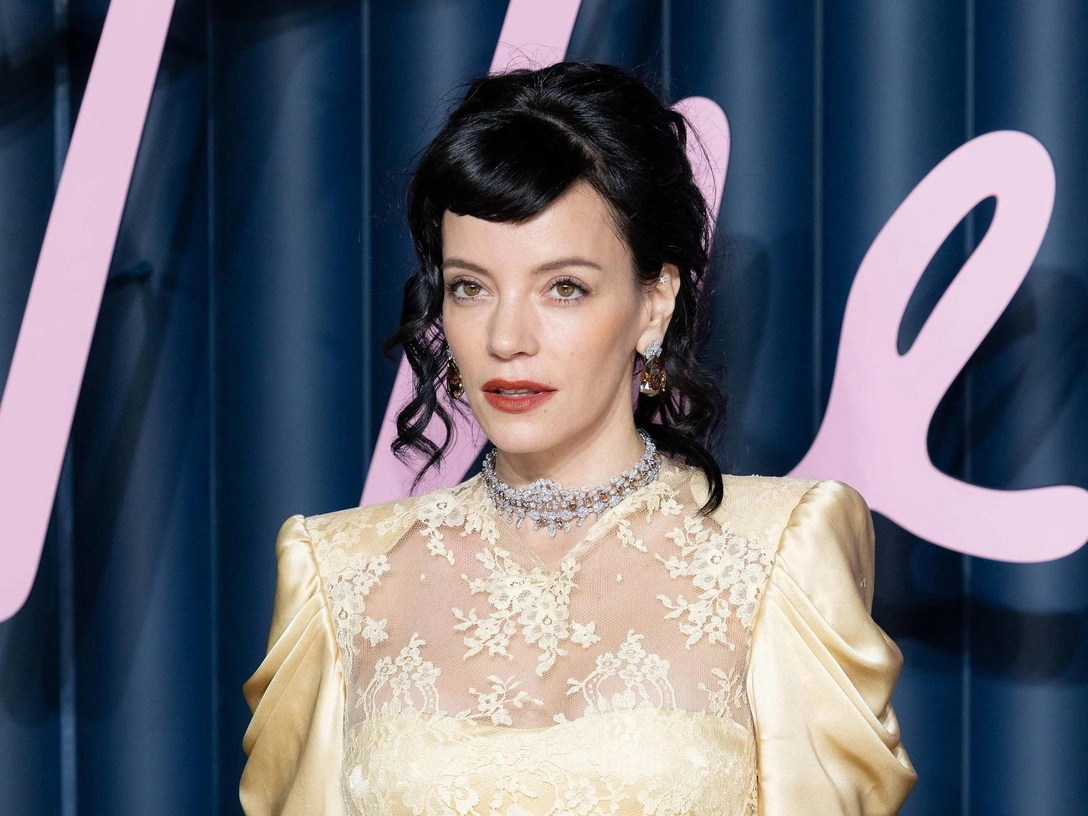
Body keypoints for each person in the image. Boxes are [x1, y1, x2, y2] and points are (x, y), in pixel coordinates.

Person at [239, 60, 917, 816]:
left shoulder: (780, 552)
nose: (507, 338)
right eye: (470, 287)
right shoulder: (337, 574)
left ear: (654, 304)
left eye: (564, 288)